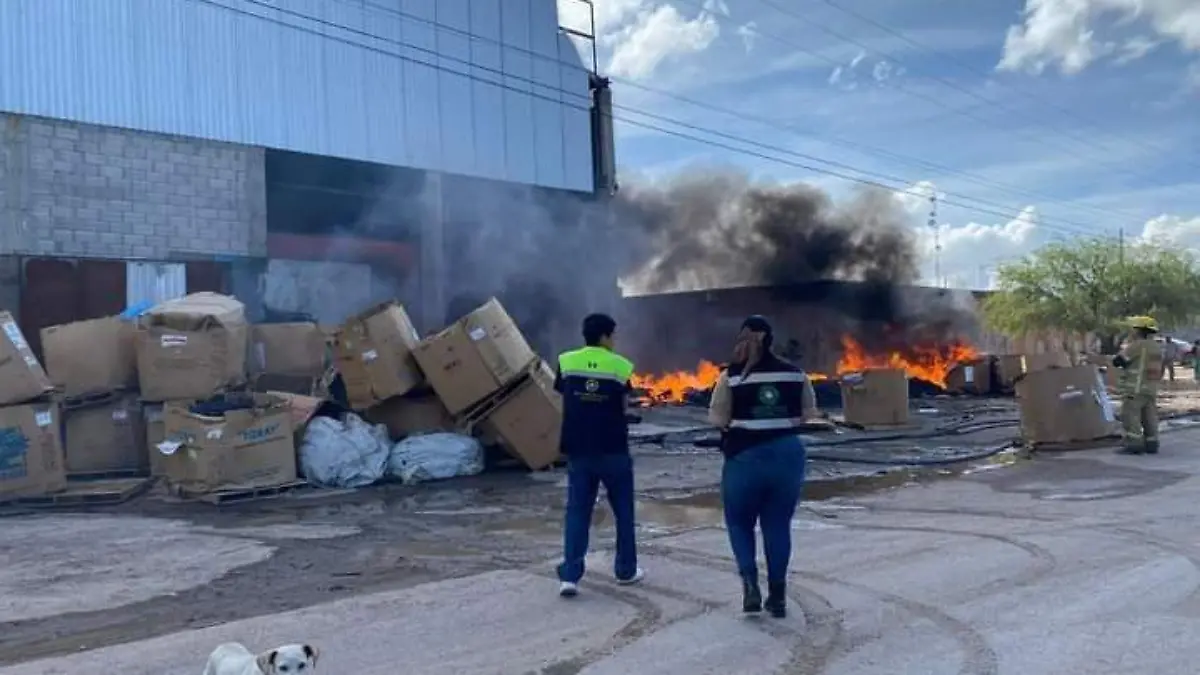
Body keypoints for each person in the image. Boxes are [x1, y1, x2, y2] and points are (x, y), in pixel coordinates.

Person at [708, 315, 816, 618]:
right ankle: (778, 596)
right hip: (787, 457)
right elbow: (809, 414)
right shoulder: (796, 375)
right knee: (777, 525)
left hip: (745, 458)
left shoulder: (730, 377)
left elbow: (717, 419)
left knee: (740, 524)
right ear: (771, 339)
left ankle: (750, 586)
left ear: (743, 338)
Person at [554, 313, 644, 597]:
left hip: (579, 449)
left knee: (578, 511)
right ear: (605, 336)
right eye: (613, 336)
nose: (614, 341)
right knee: (624, 513)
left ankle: (570, 575)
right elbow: (624, 404)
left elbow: (563, 393)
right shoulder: (620, 366)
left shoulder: (566, 361)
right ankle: (626, 570)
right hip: (613, 449)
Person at [1113, 315, 1164, 455]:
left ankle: (1134, 444)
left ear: (1139, 330)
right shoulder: (1157, 347)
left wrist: (1124, 346)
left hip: (1135, 387)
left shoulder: (1137, 345)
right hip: (1151, 388)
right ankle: (1152, 442)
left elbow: (1118, 361)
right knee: (1149, 416)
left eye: (1134, 329)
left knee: (1130, 415)